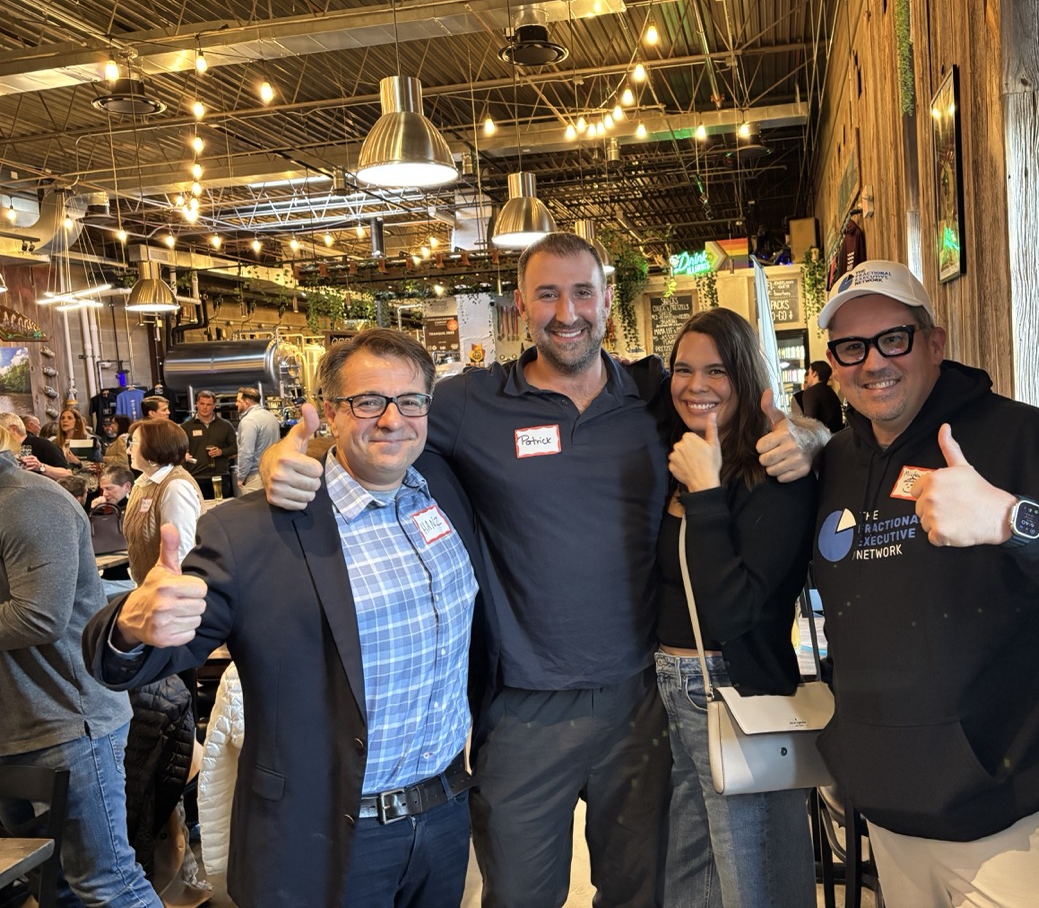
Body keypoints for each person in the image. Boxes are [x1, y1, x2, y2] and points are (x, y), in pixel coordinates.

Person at [260, 232, 824, 908]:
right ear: (520, 306)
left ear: (607, 301)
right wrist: (290, 456)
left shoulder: (653, 392)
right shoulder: (471, 403)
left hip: (640, 704)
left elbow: (748, 410)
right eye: (547, 295)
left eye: (582, 292)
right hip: (524, 714)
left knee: (643, 893)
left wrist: (810, 435)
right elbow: (384, 426)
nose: (567, 312)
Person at [811, 261, 1039, 908]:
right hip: (894, 819)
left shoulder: (1019, 438)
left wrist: (1014, 520)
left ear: (934, 343)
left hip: (1018, 823)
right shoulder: (836, 461)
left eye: (893, 338)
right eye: (852, 347)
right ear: (834, 365)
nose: (873, 362)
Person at [86, 327, 487, 908]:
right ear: (331, 412)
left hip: (444, 820)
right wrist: (129, 626)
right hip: (325, 835)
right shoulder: (254, 531)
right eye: (368, 401)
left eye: (409, 401)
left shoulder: (445, 492)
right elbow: (132, 660)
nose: (392, 419)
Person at [656, 308, 817, 908]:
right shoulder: (679, 452)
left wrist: (706, 495)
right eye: (683, 369)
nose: (696, 385)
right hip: (670, 689)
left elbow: (735, 613)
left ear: (746, 376)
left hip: (736, 687)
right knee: (689, 879)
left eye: (717, 371)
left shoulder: (776, 473)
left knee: (757, 881)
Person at [0, 417, 163, 908]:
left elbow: (37, 617)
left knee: (106, 884)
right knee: (51, 886)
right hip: (17, 725)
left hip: (65, 725)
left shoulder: (28, 502)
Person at [124, 419, 203, 582]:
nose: (128, 450)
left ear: (154, 448)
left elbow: (180, 555)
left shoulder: (176, 487)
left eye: (134, 443)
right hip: (149, 587)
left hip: (172, 590)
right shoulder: (142, 483)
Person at [181, 390, 236, 500]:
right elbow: (179, 451)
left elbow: (235, 448)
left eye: (208, 404)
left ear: (214, 406)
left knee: (223, 508)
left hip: (220, 476)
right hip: (196, 477)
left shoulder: (225, 425)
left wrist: (221, 452)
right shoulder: (185, 427)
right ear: (196, 404)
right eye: (202, 404)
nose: (205, 407)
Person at [232, 386, 280, 494]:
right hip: (273, 472)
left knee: (253, 504)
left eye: (238, 401)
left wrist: (241, 477)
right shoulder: (271, 417)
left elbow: (246, 452)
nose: (236, 404)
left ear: (247, 403)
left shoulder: (249, 421)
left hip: (256, 477)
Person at [0, 411, 71, 479]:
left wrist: (40, 467)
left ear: (13, 429)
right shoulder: (5, 451)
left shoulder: (43, 445)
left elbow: (67, 474)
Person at [796, 360, 844, 433]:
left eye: (809, 373)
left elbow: (809, 423)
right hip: (837, 435)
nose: (807, 377)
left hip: (823, 437)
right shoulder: (830, 391)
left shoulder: (811, 393)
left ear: (815, 373)